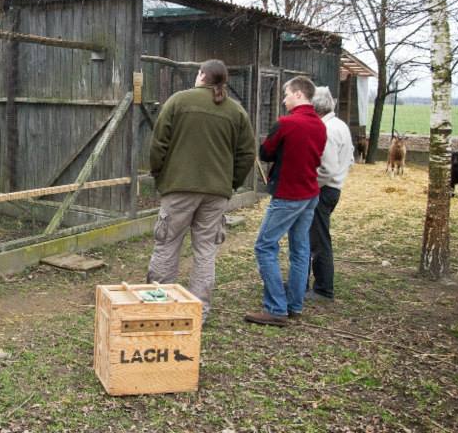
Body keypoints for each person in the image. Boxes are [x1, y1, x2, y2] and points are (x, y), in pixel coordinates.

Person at [147, 59, 256, 324]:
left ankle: (159, 308)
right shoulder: (236, 111)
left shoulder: (178, 101)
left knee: (167, 246)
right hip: (216, 192)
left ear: (202, 75)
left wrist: (160, 175)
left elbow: (158, 144)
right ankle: (199, 313)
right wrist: (230, 183)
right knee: (205, 251)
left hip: (179, 188)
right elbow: (247, 153)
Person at [244, 76, 326, 327]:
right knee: (300, 250)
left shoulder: (286, 124)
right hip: (310, 194)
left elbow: (266, 152)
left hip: (288, 195)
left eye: (287, 94)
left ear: (299, 95)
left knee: (264, 246)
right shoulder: (321, 125)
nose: (284, 99)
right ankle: (295, 305)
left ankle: (276, 308)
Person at [306, 86, 354, 301]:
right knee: (313, 238)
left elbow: (327, 168)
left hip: (323, 190)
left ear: (315, 107)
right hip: (332, 188)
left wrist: (309, 185)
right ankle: (305, 283)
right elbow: (349, 159)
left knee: (319, 240)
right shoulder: (340, 125)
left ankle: (324, 289)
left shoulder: (327, 130)